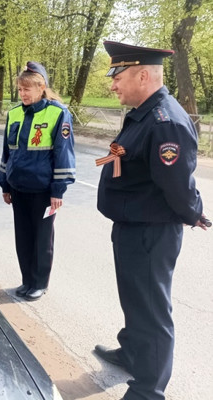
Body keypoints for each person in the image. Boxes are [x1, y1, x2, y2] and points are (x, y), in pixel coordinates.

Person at [94, 41, 208, 400]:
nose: (113, 85)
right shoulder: (144, 113)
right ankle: (132, 353)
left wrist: (193, 213)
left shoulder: (165, 122)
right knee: (135, 301)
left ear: (143, 76)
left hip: (150, 233)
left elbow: (177, 184)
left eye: (118, 77)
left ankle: (148, 390)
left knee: (152, 313)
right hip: (133, 227)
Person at [0, 61, 75, 301]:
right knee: (23, 237)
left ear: (41, 87)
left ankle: (40, 283)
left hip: (43, 191)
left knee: (42, 239)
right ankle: (27, 280)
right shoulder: (14, 113)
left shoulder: (58, 113)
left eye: (27, 89)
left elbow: (63, 153)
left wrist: (58, 191)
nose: (23, 94)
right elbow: (7, 152)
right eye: (20, 89)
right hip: (18, 188)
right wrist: (5, 184)